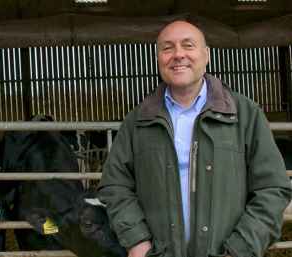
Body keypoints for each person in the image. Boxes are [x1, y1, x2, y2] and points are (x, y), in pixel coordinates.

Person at [97, 20, 292, 257]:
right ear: (158, 57)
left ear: (206, 54)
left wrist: (241, 248)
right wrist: (137, 241)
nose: (178, 55)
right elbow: (115, 185)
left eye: (188, 45)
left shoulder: (244, 115)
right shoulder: (138, 120)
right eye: (167, 48)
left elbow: (272, 188)